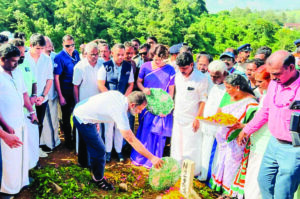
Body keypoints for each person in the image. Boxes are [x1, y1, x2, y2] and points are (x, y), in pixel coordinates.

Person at [237, 51, 300, 199]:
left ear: (291, 68)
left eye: (277, 74)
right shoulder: (274, 84)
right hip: (273, 143)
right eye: (271, 74)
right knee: (264, 182)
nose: (273, 78)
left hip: (294, 148)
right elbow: (265, 111)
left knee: (283, 191)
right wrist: (246, 130)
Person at [73, 91, 163, 190]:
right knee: (99, 150)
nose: (140, 112)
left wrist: (94, 120)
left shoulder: (119, 96)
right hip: (82, 118)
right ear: (133, 105)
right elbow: (131, 139)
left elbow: (100, 103)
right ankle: (98, 179)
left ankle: (83, 163)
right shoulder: (120, 111)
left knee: (88, 139)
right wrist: (152, 158)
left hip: (80, 109)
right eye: (140, 109)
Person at [210, 74, 258, 194]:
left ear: (237, 87)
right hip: (223, 140)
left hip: (237, 141)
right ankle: (220, 189)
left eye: (228, 88)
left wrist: (241, 126)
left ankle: (229, 193)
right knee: (222, 163)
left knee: (232, 167)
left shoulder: (251, 103)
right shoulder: (228, 95)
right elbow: (220, 112)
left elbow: (254, 124)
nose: (226, 91)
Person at [0, 43, 37, 195]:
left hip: (20, 120)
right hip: (6, 125)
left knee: (22, 153)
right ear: (3, 59)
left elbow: (24, 94)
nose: (17, 64)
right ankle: (7, 189)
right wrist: (4, 126)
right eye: (14, 61)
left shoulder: (17, 72)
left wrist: (31, 110)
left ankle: (22, 182)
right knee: (9, 158)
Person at [229, 66, 271, 199]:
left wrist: (245, 130)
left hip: (264, 144)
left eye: (260, 82)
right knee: (251, 177)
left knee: (257, 179)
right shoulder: (265, 95)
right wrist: (243, 126)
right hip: (256, 141)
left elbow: (263, 118)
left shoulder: (271, 96)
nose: (257, 85)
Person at [130, 44, 175, 168]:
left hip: (162, 106)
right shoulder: (145, 66)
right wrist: (144, 89)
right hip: (147, 104)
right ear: (152, 56)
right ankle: (140, 158)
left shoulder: (170, 70)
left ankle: (154, 160)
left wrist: (167, 108)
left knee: (158, 134)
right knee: (145, 131)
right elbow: (138, 82)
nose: (158, 62)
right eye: (156, 59)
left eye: (161, 60)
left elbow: (171, 91)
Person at [171, 52, 208, 176]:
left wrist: (198, 118)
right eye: (180, 68)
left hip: (193, 118)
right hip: (178, 116)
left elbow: (203, 100)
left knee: (191, 146)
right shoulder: (177, 75)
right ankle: (177, 169)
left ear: (192, 64)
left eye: (185, 68)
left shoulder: (201, 78)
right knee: (177, 145)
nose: (182, 71)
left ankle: (191, 172)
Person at [97, 43, 134, 162]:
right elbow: (100, 84)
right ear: (112, 53)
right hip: (109, 102)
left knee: (120, 127)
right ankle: (107, 151)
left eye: (123, 55)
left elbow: (130, 84)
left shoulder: (128, 67)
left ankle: (118, 150)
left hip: (122, 102)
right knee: (108, 127)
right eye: (118, 54)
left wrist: (125, 99)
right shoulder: (105, 66)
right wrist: (111, 98)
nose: (121, 57)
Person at [10, 38, 40, 167]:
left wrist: (34, 95)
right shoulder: (10, 69)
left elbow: (33, 81)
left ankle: (33, 162)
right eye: (20, 54)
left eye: (23, 52)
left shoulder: (27, 62)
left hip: (30, 108)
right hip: (17, 112)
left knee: (33, 137)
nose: (23, 55)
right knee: (21, 141)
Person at [73, 42, 103, 167]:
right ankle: (83, 161)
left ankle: (95, 159)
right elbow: (75, 86)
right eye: (92, 54)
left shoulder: (102, 64)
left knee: (96, 132)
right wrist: (77, 104)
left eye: (97, 54)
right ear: (86, 54)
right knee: (84, 133)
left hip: (98, 103)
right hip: (84, 105)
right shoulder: (80, 67)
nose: (95, 57)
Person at [198, 60, 228, 182]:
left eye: (217, 76)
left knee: (212, 152)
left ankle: (209, 178)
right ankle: (204, 173)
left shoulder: (228, 88)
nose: (213, 79)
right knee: (205, 149)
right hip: (207, 125)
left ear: (225, 74)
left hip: (217, 128)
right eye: (211, 76)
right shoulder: (211, 85)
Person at [25, 33, 53, 156]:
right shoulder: (24, 59)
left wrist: (42, 95)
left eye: (42, 48)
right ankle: (27, 150)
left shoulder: (46, 59)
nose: (40, 51)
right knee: (27, 125)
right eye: (38, 48)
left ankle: (35, 150)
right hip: (27, 100)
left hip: (42, 99)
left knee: (39, 124)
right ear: (30, 45)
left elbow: (49, 79)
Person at [54, 34, 80, 149]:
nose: (70, 47)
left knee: (77, 115)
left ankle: (76, 138)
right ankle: (68, 140)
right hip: (65, 90)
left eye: (72, 45)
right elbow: (56, 77)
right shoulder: (59, 57)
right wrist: (60, 96)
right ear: (63, 45)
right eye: (68, 45)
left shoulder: (76, 53)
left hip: (76, 89)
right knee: (66, 117)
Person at [40, 36, 60, 152]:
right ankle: (44, 142)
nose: (48, 47)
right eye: (45, 45)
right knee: (44, 121)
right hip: (42, 95)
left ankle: (53, 142)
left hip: (52, 94)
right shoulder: (37, 57)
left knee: (53, 119)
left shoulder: (55, 57)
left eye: (49, 44)